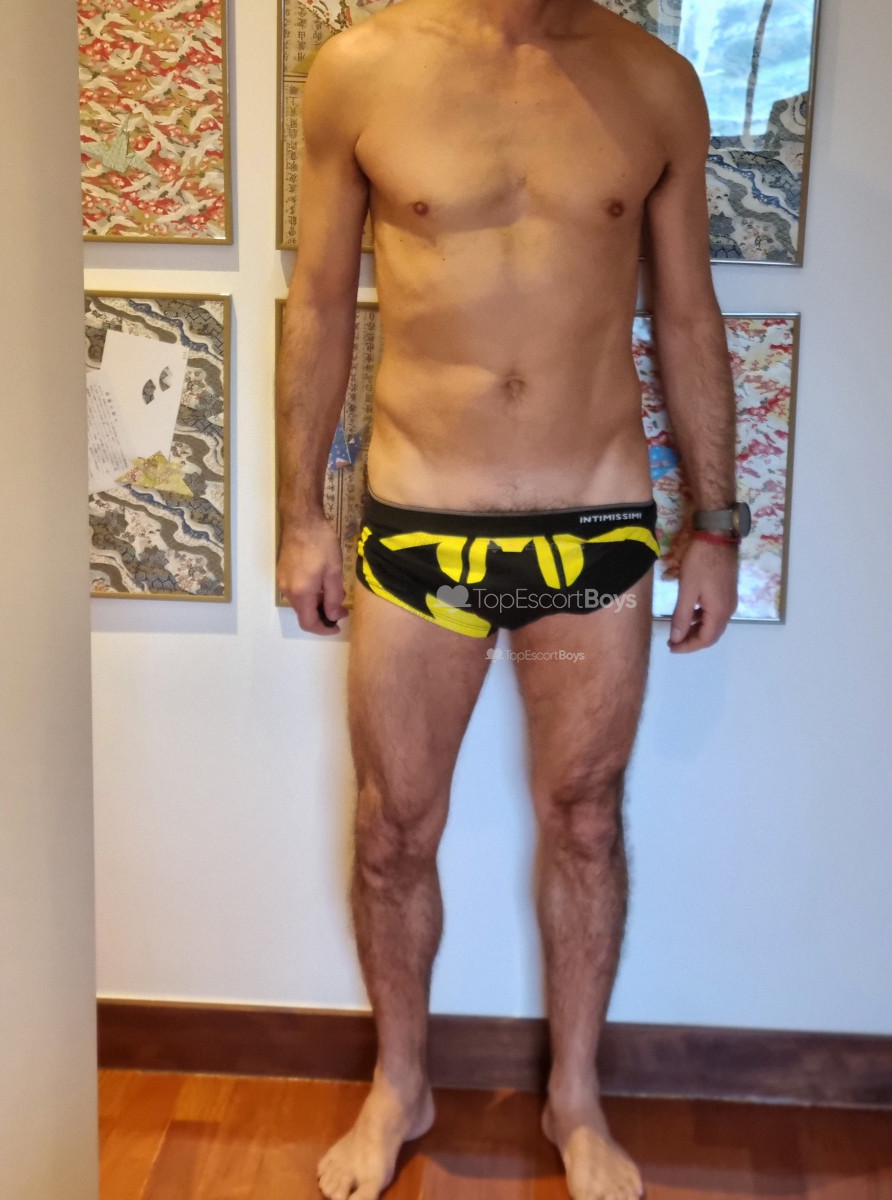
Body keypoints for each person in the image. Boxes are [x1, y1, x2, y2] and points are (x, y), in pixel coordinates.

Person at [275, 0, 744, 1196]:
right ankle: (401, 1084)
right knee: (393, 829)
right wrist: (299, 513)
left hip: (593, 523)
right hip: (419, 520)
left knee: (585, 817)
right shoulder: (360, 72)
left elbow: (688, 312)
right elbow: (317, 301)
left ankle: (575, 1102)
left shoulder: (655, 83)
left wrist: (716, 523)